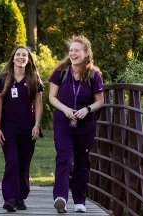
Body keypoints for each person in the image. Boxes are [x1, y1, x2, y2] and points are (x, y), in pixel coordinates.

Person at [48, 35, 104, 213]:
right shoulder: (60, 72)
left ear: (86, 53)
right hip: (63, 123)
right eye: (71, 50)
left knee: (81, 161)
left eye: (77, 50)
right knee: (64, 158)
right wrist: (65, 109)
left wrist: (87, 110)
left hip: (85, 124)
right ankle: (61, 197)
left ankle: (80, 200)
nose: (73, 53)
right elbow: (51, 97)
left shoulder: (95, 75)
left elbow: (100, 101)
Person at [0, 45, 44, 212]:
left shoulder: (33, 78)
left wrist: (37, 125)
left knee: (24, 163)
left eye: (25, 55)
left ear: (28, 60)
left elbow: (38, 104)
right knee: (12, 162)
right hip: (9, 128)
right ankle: (10, 198)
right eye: (18, 54)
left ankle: (21, 197)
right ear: (13, 57)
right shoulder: (4, 78)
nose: (21, 57)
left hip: (28, 128)